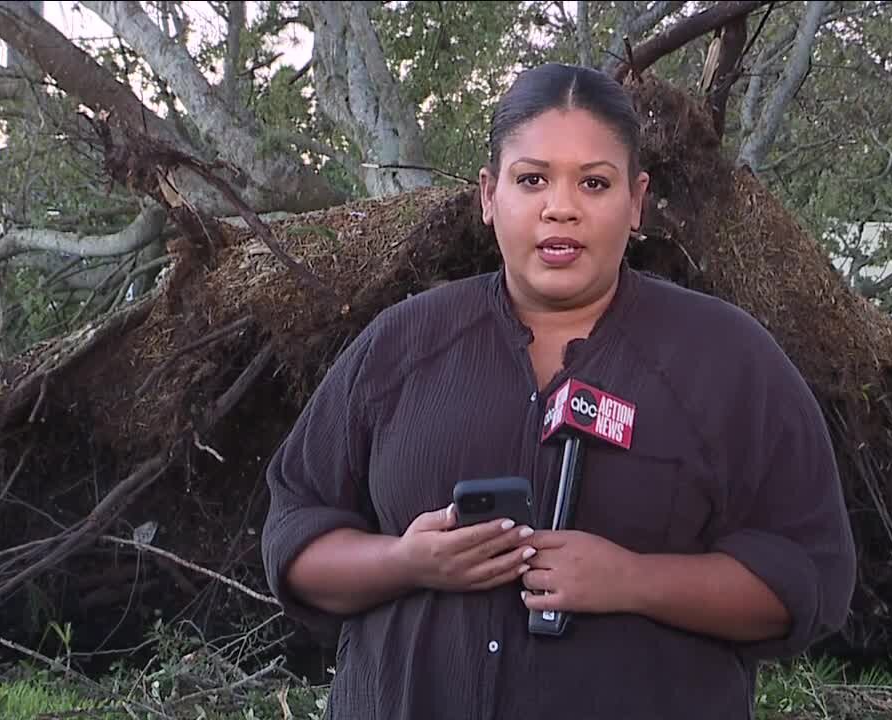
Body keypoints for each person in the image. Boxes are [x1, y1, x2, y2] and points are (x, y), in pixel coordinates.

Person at [260, 62, 856, 720]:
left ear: (635, 201)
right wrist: (407, 562)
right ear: (490, 196)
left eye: (594, 183)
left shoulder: (727, 361)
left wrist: (633, 581)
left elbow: (807, 577)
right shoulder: (399, 347)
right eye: (532, 179)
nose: (561, 207)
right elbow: (295, 536)